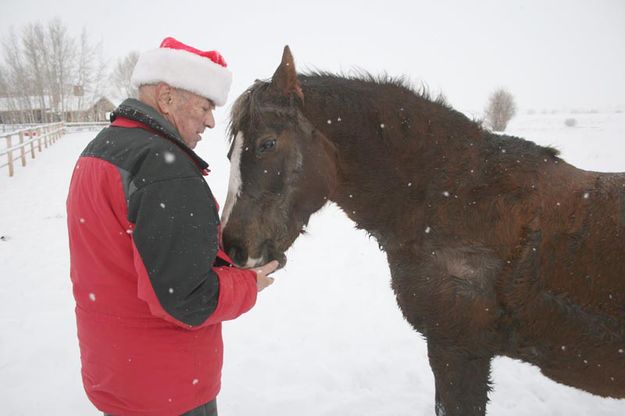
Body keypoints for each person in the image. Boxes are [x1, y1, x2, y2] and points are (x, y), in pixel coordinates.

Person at [66, 37, 278, 416]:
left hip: (120, 374)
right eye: (205, 106)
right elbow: (186, 300)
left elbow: (134, 253)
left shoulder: (101, 149)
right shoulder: (164, 169)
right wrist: (249, 283)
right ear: (166, 98)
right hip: (169, 390)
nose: (212, 121)